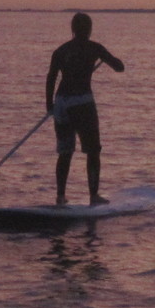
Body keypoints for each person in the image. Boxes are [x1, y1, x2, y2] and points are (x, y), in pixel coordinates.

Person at [45, 12, 125, 206]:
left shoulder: (61, 50)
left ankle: (60, 196)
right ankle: (94, 196)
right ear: (89, 29)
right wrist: (108, 59)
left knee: (65, 152)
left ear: (72, 29)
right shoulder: (94, 48)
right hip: (81, 103)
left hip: (61, 103)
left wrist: (50, 106)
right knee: (93, 150)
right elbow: (119, 67)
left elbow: (51, 78)